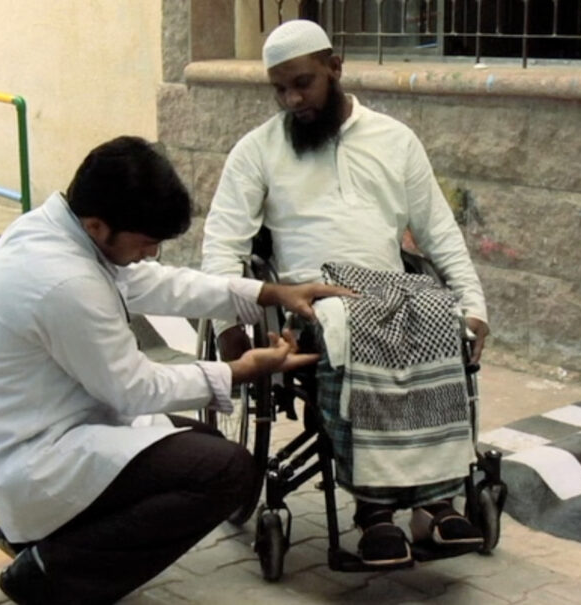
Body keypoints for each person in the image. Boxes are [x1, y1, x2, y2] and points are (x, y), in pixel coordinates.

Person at [0, 136, 350, 604]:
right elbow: (135, 389)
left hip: (47, 427)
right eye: (147, 242)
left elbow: (152, 282)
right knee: (225, 470)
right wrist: (239, 370)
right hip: (36, 453)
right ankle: (52, 574)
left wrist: (269, 293)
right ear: (98, 225)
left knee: (202, 443)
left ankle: (49, 539)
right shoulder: (64, 281)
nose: (150, 254)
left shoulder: (56, 231)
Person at [201, 20, 490, 566]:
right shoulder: (257, 150)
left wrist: (474, 307)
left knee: (441, 320)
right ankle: (376, 513)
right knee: (350, 330)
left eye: (302, 84)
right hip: (311, 302)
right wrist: (227, 326)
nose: (292, 100)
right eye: (279, 89)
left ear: (335, 67)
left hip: (395, 294)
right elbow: (222, 244)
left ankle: (436, 504)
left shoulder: (395, 140)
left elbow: (438, 232)